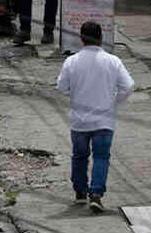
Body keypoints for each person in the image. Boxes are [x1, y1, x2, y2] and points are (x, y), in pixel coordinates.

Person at [56, 21, 134, 212]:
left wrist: (75, 96)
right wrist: (114, 102)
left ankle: (80, 192)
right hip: (104, 120)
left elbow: (61, 87)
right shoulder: (113, 61)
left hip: (79, 121)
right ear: (101, 38)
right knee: (101, 157)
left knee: (79, 156)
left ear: (81, 39)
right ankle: (96, 194)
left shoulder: (71, 61)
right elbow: (129, 86)